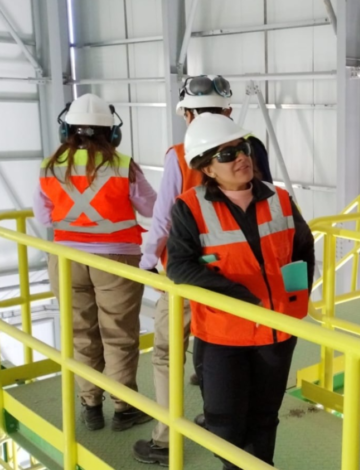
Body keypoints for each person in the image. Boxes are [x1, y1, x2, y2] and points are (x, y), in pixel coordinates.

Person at [133, 75, 275, 466]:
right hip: (239, 278)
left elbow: (162, 220)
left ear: (187, 114)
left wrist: (146, 267)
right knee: (213, 349)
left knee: (166, 354)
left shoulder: (180, 154)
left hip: (187, 276)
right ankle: (216, 419)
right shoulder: (251, 147)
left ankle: (165, 439)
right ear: (228, 111)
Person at [164, 113, 314, 468]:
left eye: (242, 148)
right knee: (225, 424)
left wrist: (293, 297)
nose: (241, 158)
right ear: (208, 168)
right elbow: (179, 267)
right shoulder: (189, 207)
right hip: (223, 336)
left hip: (276, 332)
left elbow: (303, 248)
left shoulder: (279, 198)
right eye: (227, 154)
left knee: (265, 417)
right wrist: (239, 296)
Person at [33, 93, 157, 431]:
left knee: (80, 333)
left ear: (67, 129)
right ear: (111, 132)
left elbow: (44, 215)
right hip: (116, 260)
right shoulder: (122, 165)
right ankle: (124, 408)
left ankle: (90, 406)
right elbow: (151, 209)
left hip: (66, 258)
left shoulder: (50, 166)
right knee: (118, 334)